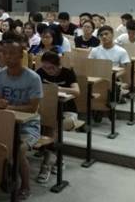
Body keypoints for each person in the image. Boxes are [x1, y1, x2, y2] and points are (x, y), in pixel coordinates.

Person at [0, 33, 43, 200]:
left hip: (28, 125)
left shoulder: (33, 78)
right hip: (6, 122)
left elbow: (32, 108)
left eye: (12, 53)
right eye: (4, 53)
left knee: (18, 149)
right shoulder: (0, 76)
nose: (7, 57)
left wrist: (9, 106)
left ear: (21, 55)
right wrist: (0, 103)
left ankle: (25, 186)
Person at [35, 51, 80, 183]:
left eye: (51, 68)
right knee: (50, 124)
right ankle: (59, 159)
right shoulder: (40, 72)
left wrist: (57, 89)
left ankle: (46, 164)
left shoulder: (67, 73)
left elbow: (77, 91)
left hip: (68, 112)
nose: (48, 71)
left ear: (58, 65)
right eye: (45, 67)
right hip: (47, 111)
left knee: (52, 127)